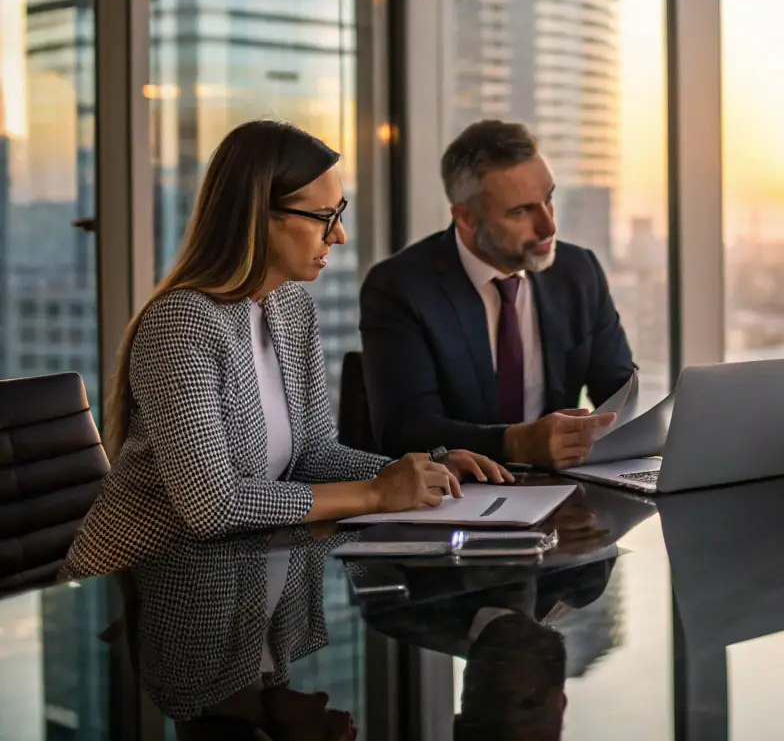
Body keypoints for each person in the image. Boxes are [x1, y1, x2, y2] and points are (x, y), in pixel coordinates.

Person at [64, 121, 509, 579]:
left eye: (340, 213)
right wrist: (376, 493)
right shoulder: (182, 324)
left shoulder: (291, 307)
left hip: (244, 581)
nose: (339, 236)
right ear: (258, 216)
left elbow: (313, 454)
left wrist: (420, 471)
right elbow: (214, 506)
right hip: (149, 590)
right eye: (323, 217)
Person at [359, 120, 630, 469]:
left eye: (548, 199)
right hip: (454, 500)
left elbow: (621, 393)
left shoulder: (578, 271)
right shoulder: (400, 287)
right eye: (521, 211)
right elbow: (405, 430)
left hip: (563, 495)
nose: (549, 226)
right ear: (466, 219)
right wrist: (515, 443)